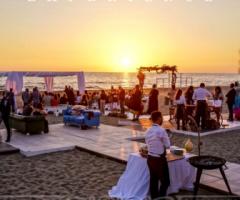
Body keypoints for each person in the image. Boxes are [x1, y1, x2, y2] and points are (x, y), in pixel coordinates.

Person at [145, 111, 170, 199]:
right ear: (159, 118)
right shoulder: (161, 130)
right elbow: (167, 145)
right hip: (159, 159)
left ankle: (154, 198)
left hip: (150, 158)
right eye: (162, 117)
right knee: (166, 182)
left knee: (154, 180)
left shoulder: (148, 130)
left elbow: (148, 143)